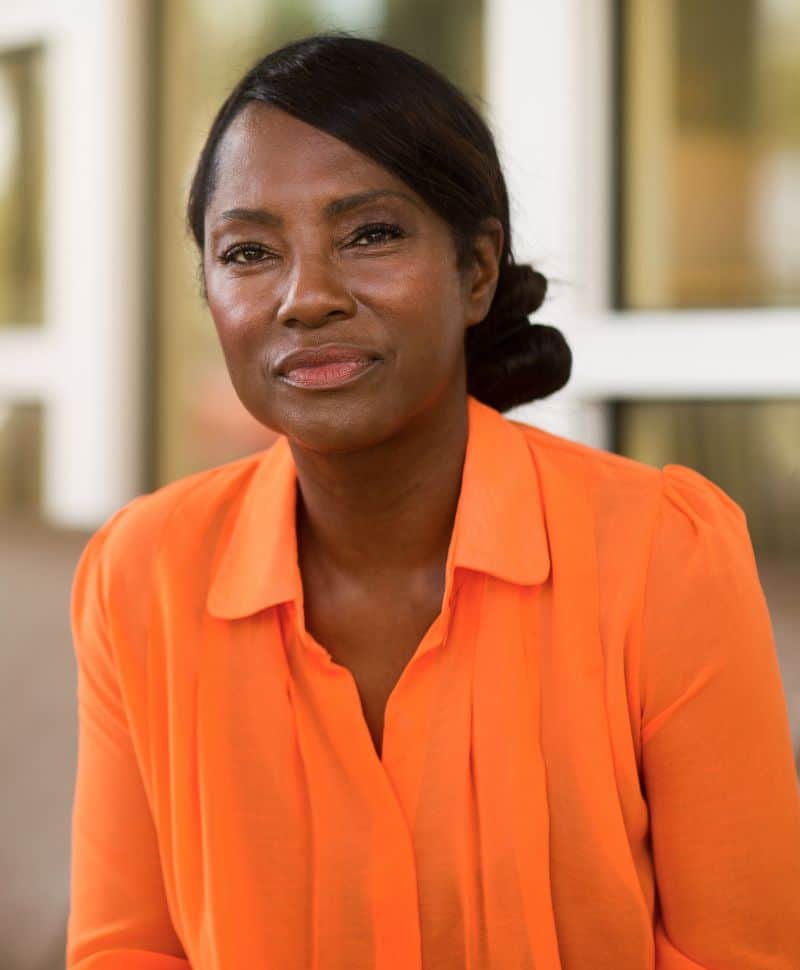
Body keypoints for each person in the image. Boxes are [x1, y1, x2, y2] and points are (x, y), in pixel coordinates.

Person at [66, 31, 800, 970]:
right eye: (249, 251)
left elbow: (745, 955)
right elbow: (128, 950)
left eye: (369, 234)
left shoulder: (663, 552)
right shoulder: (143, 577)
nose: (306, 297)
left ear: (477, 271)